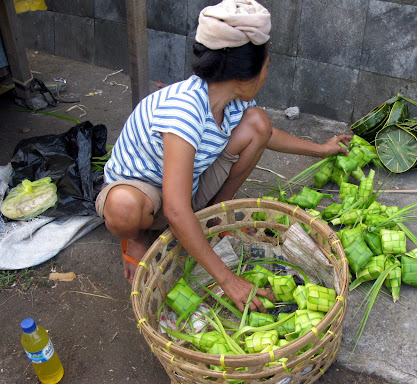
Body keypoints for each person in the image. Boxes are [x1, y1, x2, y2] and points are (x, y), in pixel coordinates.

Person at [95, 0, 351, 313]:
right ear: (245, 75)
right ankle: (136, 238)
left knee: (258, 123)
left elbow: (267, 135)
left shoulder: (230, 100)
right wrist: (229, 281)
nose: (267, 73)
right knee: (124, 208)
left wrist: (321, 149)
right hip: (146, 191)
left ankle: (214, 215)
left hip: (185, 187)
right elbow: (175, 209)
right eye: (266, 66)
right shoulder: (184, 112)